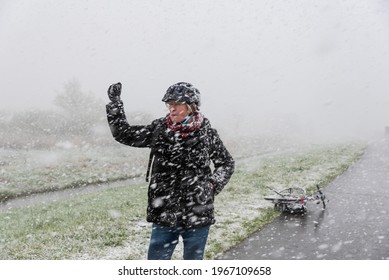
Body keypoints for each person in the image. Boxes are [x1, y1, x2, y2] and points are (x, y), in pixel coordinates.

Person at [106, 82, 235, 260]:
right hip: (164, 211)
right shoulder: (159, 129)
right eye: (169, 105)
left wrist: (212, 185)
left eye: (176, 105)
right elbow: (124, 134)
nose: (172, 109)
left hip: (198, 211)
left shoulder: (207, 134)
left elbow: (226, 163)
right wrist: (115, 105)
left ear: (191, 107)